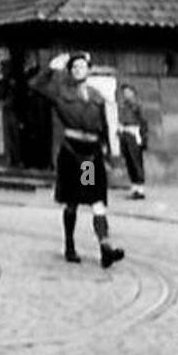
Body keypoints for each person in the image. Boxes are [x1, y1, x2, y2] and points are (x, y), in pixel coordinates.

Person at [29, 51, 124, 268]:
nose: (79, 69)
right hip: (73, 153)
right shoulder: (61, 92)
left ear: (89, 70)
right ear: (70, 72)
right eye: (74, 67)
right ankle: (69, 245)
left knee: (96, 200)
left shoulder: (97, 96)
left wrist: (111, 155)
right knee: (72, 201)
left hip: (90, 157)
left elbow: (106, 127)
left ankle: (105, 248)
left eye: (83, 66)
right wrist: (51, 68)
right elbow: (35, 85)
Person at [118, 83, 148, 199]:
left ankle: (140, 188)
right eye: (124, 92)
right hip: (125, 133)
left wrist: (143, 138)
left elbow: (143, 122)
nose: (125, 94)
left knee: (136, 161)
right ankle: (134, 186)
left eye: (128, 92)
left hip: (134, 134)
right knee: (129, 161)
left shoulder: (137, 105)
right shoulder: (124, 106)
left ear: (133, 92)